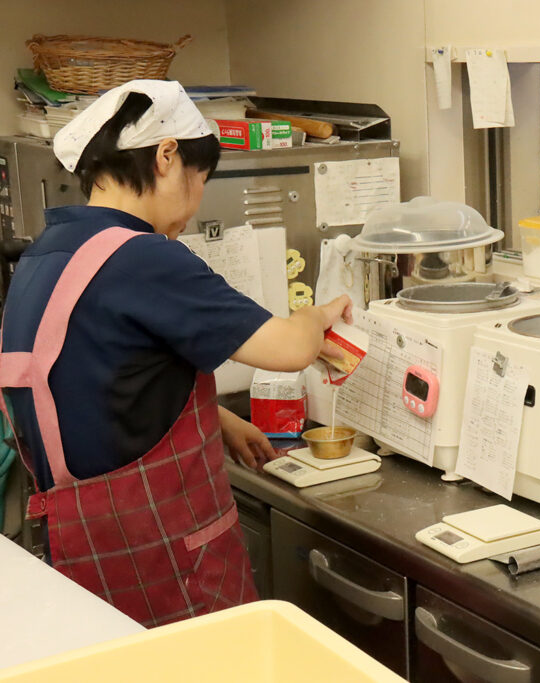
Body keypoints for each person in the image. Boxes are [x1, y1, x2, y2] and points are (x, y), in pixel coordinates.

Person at [0, 80, 352, 627]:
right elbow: (289, 348)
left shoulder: (48, 252)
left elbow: (95, 383)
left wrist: (217, 418)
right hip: (164, 552)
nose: (196, 204)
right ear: (167, 156)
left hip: (82, 539)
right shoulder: (144, 258)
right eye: (201, 179)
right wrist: (318, 314)